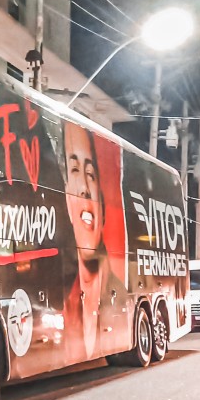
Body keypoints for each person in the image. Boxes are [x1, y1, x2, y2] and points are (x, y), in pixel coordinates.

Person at [62, 121, 126, 362]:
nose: (84, 190)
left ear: (102, 203)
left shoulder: (119, 295)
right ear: (67, 204)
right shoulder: (66, 306)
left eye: (90, 175)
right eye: (75, 171)